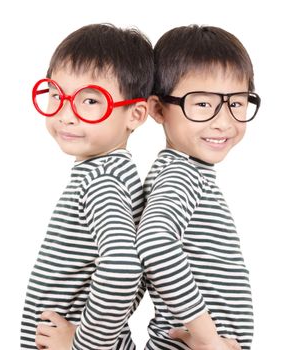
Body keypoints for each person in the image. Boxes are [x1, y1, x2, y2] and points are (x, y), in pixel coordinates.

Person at [21, 23, 154, 350]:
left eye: (90, 101)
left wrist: (81, 342)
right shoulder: (108, 172)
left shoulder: (102, 181)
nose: (66, 114)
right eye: (56, 94)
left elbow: (123, 266)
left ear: (135, 114)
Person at [135, 25, 261, 350]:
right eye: (203, 105)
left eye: (237, 103)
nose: (225, 122)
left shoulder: (190, 173)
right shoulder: (181, 175)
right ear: (158, 109)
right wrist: (208, 339)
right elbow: (153, 243)